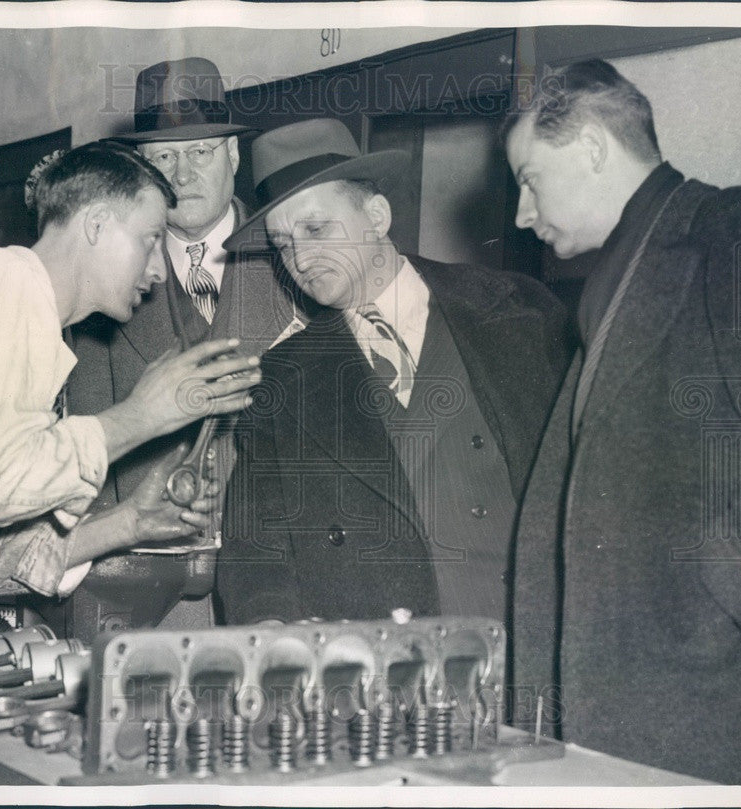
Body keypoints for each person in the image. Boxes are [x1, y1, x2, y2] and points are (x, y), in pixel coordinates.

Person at [0, 141, 261, 785]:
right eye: (150, 238)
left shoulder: (16, 310)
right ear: (95, 225)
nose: (158, 266)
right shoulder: (4, 285)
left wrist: (129, 523)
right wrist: (139, 417)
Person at [504, 60, 741, 784]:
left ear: (594, 148)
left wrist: (712, 591)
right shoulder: (613, 276)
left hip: (713, 698)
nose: (519, 213)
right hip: (634, 710)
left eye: (529, 178)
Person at [214, 118, 569, 626]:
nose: (301, 258)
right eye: (283, 244)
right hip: (379, 678)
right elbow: (256, 553)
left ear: (376, 216)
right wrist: (278, 635)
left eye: (316, 229)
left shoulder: (521, 314)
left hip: (526, 645)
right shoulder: (282, 379)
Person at [68, 57, 305, 630]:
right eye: (165, 158)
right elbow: (84, 437)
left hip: (281, 581)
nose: (184, 173)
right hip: (143, 588)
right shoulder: (99, 282)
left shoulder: (299, 260)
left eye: (201, 152)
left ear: (233, 155)